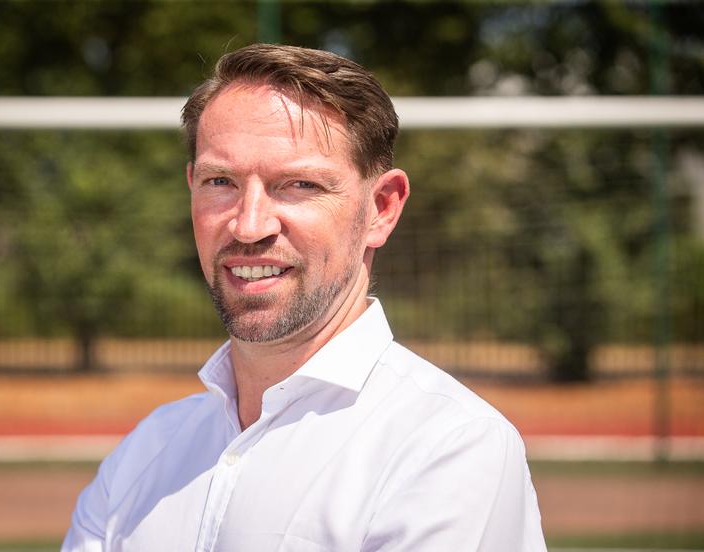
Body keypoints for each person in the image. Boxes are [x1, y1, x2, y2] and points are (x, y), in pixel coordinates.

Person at [63, 43, 546, 551]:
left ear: (381, 208)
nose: (249, 225)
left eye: (297, 184)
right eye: (220, 181)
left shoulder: (448, 448)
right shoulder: (147, 451)